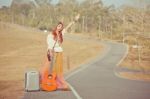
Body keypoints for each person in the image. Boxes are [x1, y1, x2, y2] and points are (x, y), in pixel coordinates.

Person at [40, 14, 80, 91]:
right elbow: (49, 44)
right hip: (51, 52)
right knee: (47, 67)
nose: (60, 28)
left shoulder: (61, 34)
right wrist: (49, 52)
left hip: (59, 53)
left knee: (58, 69)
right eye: (59, 26)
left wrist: (75, 20)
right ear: (56, 26)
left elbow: (68, 26)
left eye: (61, 27)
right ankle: (44, 83)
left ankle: (59, 84)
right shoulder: (51, 35)